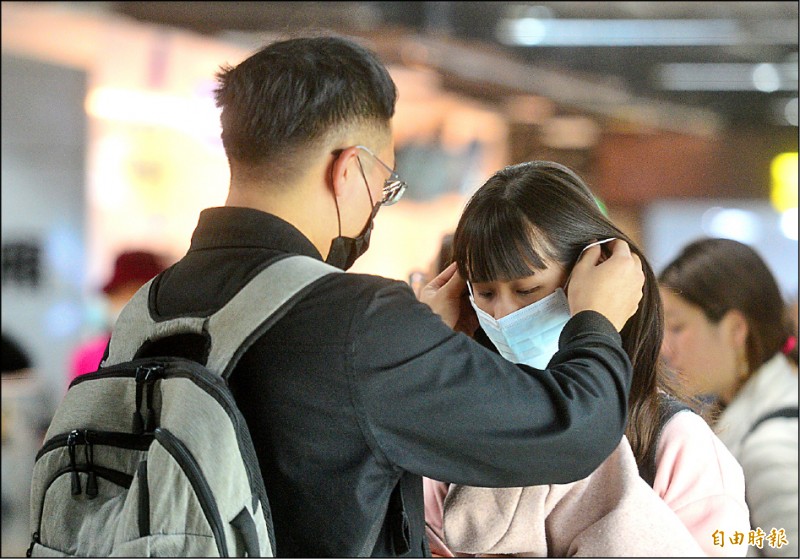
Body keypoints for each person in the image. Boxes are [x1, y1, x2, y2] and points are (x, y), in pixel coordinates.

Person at [130, 34, 646, 557]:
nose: (380, 202)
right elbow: (574, 431)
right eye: (384, 182)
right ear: (348, 169)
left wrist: (418, 343)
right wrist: (598, 319)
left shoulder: (148, 309)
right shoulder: (359, 322)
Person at [423, 161, 750, 557]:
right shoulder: (462, 426)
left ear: (591, 277)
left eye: (527, 290)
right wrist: (425, 351)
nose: (504, 315)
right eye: (485, 293)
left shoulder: (675, 441)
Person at [659, 238, 799, 558]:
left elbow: (783, 543)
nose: (666, 349)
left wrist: (714, 539)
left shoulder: (770, 445)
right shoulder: (741, 408)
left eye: (678, 327)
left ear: (736, 329)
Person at [68, 250, 167, 384]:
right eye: (117, 295)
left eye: (134, 294)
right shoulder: (89, 357)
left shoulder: (173, 356)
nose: (125, 304)